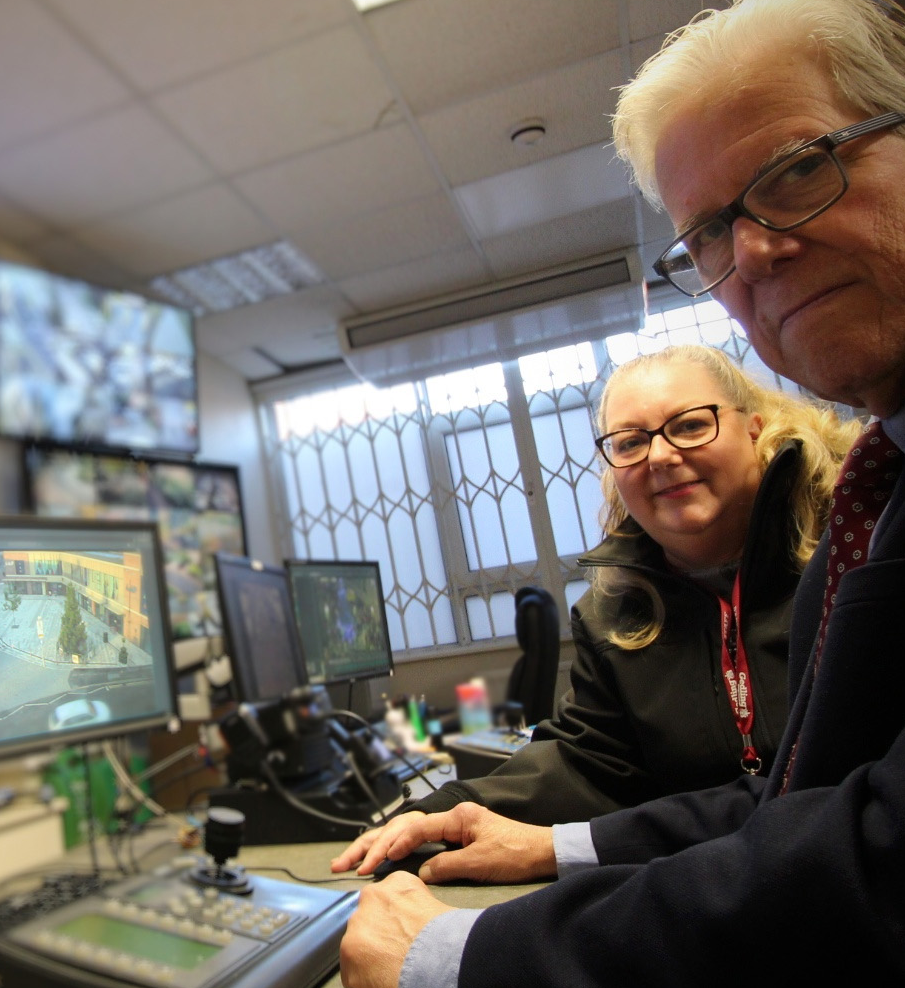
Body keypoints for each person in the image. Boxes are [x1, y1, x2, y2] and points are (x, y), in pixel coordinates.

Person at [333, 0, 905, 988]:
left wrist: (460, 952)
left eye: (799, 171)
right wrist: (539, 845)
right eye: (708, 230)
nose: (751, 254)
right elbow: (801, 800)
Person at [333, 345, 858, 845]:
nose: (661, 455)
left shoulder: (856, 552)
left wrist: (565, 848)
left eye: (691, 425)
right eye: (630, 442)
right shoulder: (617, 615)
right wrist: (444, 814)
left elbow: (833, 786)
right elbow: (590, 763)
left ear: (754, 428)